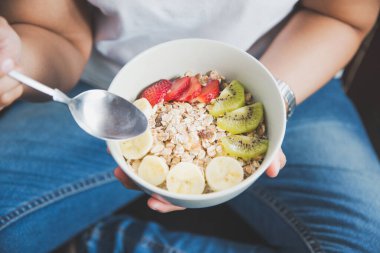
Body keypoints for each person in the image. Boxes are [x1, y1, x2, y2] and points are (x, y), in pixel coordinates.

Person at [0, 0, 379, 252]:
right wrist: (18, 64)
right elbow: (51, 28)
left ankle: (112, 241)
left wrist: (272, 100)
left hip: (289, 74)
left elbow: (341, 14)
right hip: (102, 88)